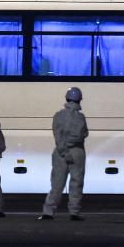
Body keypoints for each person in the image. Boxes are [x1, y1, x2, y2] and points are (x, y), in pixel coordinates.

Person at [38, 87, 89, 221]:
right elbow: (83, 134)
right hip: (77, 152)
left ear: (66, 98)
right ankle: (74, 212)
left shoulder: (58, 115)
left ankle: (48, 212)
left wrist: (64, 150)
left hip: (60, 153)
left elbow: (57, 135)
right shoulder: (80, 117)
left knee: (57, 184)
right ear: (79, 100)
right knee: (76, 183)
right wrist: (71, 146)